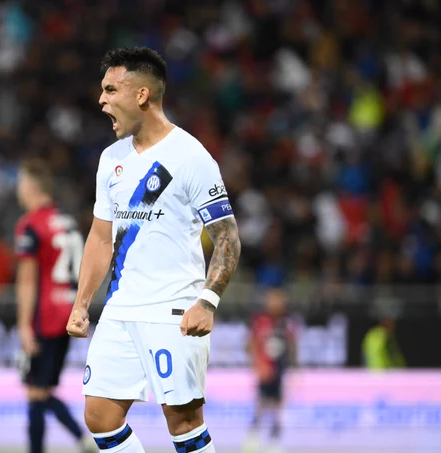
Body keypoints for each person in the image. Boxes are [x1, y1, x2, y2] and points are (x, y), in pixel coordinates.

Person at [66, 47, 242, 452]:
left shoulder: (191, 157)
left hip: (173, 310)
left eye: (111, 90)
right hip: (120, 309)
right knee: (99, 416)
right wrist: (81, 303)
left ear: (141, 94)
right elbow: (100, 237)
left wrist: (208, 302)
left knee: (183, 422)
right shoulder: (111, 159)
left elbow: (228, 237)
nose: (101, 100)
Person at [14, 159, 95, 453]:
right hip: (69, 313)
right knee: (41, 389)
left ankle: (81, 439)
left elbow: (27, 280)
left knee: (36, 391)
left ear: (31, 186)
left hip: (45, 316)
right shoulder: (68, 222)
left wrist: (24, 326)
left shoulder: (31, 225)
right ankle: (82, 439)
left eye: (21, 183)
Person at [244, 289, 296, 452]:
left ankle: (275, 440)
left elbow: (292, 345)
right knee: (261, 403)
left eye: (279, 300)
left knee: (278, 405)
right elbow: (251, 344)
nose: (275, 303)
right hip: (265, 368)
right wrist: (258, 364)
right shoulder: (260, 321)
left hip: (280, 369)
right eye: (272, 300)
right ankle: (253, 437)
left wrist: (294, 368)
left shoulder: (286, 322)